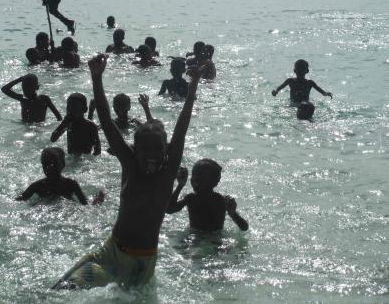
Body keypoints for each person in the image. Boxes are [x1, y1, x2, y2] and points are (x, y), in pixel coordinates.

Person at [52, 54, 206, 290]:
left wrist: (193, 83)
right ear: (135, 151)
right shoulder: (130, 166)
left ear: (167, 151)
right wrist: (96, 78)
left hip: (142, 262)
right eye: (145, 149)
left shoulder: (168, 173)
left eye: (158, 149)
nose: (152, 154)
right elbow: (106, 120)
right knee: (61, 289)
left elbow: (182, 127)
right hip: (110, 251)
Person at [167, 159, 248, 232]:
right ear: (216, 182)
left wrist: (180, 186)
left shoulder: (191, 198)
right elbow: (244, 227)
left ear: (215, 182)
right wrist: (233, 213)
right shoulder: (221, 200)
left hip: (196, 237)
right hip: (216, 239)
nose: (192, 180)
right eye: (193, 177)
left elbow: (169, 209)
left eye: (198, 179)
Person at [16, 147, 105, 205]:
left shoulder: (37, 186)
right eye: (46, 165)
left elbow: (86, 206)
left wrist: (97, 201)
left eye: (53, 165)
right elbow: (86, 206)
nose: (49, 168)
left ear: (62, 165)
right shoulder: (70, 184)